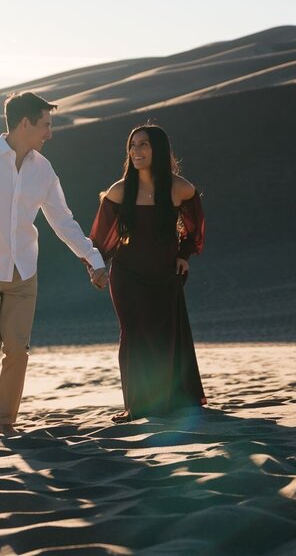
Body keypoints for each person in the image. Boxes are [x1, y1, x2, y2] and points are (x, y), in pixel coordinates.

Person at [0, 91, 108, 435]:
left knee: (18, 349)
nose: (50, 133)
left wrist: (92, 257)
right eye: (45, 125)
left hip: (24, 272)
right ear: (24, 124)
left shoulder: (43, 170)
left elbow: (62, 220)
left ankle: (6, 422)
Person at [88, 122, 207, 422]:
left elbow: (195, 229)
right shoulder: (120, 190)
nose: (136, 151)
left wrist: (183, 255)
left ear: (159, 149)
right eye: (132, 145)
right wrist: (96, 267)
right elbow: (99, 240)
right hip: (127, 274)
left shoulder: (180, 187)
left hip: (166, 273)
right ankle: (137, 406)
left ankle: (174, 401)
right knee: (134, 335)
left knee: (168, 335)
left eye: (143, 145)